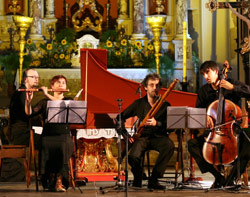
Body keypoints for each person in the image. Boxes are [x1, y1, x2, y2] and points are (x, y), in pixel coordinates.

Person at [188, 60, 250, 188]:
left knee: (248, 145)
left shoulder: (230, 84)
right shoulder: (204, 91)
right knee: (192, 145)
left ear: (216, 71)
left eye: (207, 72)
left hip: (233, 132)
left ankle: (231, 178)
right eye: (203, 74)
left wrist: (233, 88)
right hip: (213, 133)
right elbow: (198, 111)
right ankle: (219, 178)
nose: (205, 77)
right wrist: (204, 115)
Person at [116, 73, 175, 190]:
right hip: (142, 137)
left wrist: (156, 123)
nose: (155, 88)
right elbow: (120, 117)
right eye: (151, 85)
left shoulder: (165, 105)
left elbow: (170, 126)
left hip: (159, 136)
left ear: (160, 88)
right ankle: (138, 175)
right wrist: (125, 134)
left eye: (157, 85)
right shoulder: (138, 104)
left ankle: (154, 179)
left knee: (169, 146)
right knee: (133, 157)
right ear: (145, 87)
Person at [25, 75, 74, 192]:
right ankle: (50, 180)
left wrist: (47, 94)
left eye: (63, 82)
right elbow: (29, 113)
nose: (61, 85)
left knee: (63, 147)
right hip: (48, 135)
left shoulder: (68, 100)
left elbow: (59, 104)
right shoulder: (44, 102)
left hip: (64, 136)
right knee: (46, 146)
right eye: (57, 83)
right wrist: (28, 101)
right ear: (52, 86)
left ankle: (60, 180)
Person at [9, 68, 40, 147]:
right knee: (46, 141)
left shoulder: (24, 92)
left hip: (23, 131)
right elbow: (27, 114)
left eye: (37, 77)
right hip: (20, 134)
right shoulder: (21, 93)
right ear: (25, 79)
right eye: (33, 77)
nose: (36, 79)